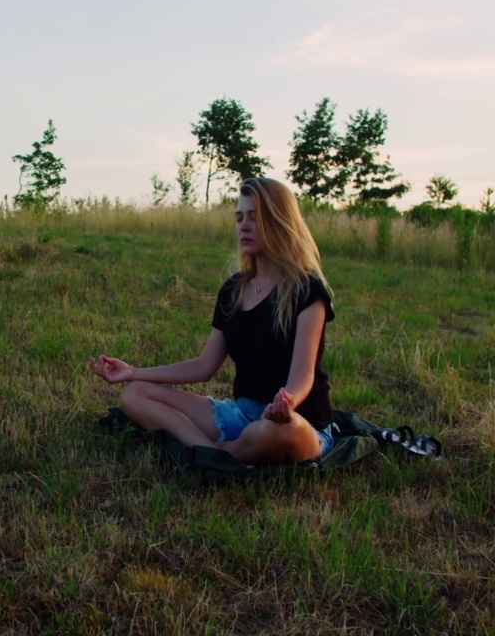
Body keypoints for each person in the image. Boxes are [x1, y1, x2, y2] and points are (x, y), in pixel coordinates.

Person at [90, 177, 336, 465]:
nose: (243, 226)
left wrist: (288, 401)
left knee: (275, 432)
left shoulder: (307, 289)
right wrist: (133, 372)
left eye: (254, 218)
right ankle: (211, 452)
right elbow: (203, 366)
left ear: (280, 222)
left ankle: (218, 455)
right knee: (134, 394)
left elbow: (303, 375)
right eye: (239, 218)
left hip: (296, 420)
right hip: (242, 415)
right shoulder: (234, 290)